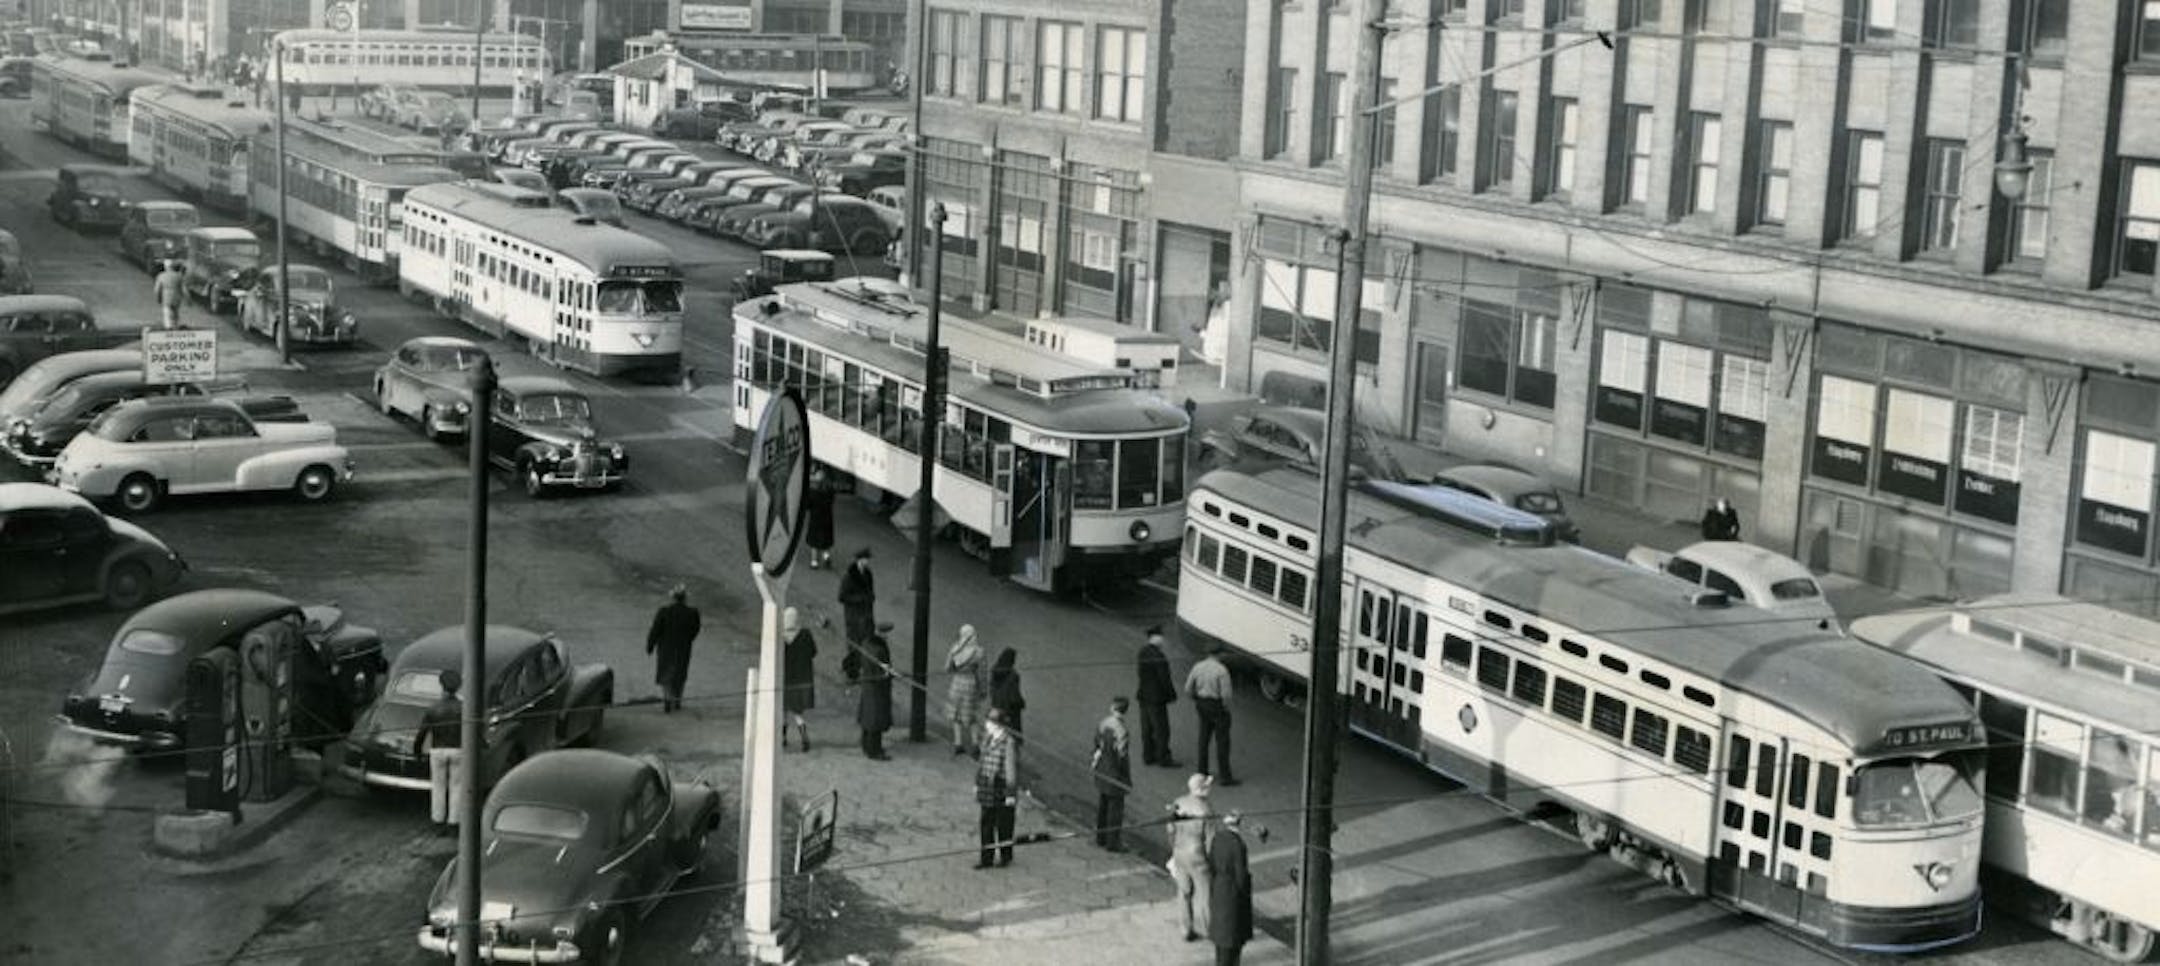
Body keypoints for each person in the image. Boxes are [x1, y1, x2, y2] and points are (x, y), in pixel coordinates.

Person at [1168, 772, 1214, 941]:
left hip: (1180, 852)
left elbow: (1170, 829)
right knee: (1205, 894)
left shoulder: (1178, 802)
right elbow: (1210, 840)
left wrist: (1174, 848)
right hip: (1198, 856)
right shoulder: (1205, 810)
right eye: (1207, 786)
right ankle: (1208, 929)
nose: (1210, 789)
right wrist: (1211, 860)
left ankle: (1185, 929)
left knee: (1184, 891)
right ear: (1201, 790)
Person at [1186, 641, 1238, 785]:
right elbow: (1226, 694)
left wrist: (1196, 698)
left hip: (1202, 704)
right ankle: (1225, 777)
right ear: (1219, 654)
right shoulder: (1222, 670)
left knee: (1203, 738)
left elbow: (1188, 688)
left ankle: (1202, 771)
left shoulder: (1197, 666)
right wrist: (1225, 707)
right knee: (1222, 741)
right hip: (1217, 706)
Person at [974, 707, 1019, 869]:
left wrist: (1010, 794)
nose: (987, 724)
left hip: (1001, 785)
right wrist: (977, 782)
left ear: (999, 725)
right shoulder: (987, 738)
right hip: (987, 784)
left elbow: (1010, 771)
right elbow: (982, 762)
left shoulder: (1008, 743)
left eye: (990, 722)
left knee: (1004, 823)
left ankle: (1005, 855)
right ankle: (986, 857)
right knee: (986, 822)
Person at [1207, 812, 1255, 966]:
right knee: (1233, 942)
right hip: (1233, 895)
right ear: (1238, 823)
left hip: (1219, 888)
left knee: (1221, 942)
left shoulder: (1217, 838)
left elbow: (1211, 863)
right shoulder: (1238, 845)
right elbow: (1241, 875)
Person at [843, 620, 895, 760]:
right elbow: (882, 671)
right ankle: (874, 751)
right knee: (876, 720)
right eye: (886, 634)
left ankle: (866, 745)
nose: (888, 637)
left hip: (868, 687)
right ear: (882, 633)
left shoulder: (866, 643)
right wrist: (890, 672)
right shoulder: (879, 649)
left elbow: (852, 661)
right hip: (878, 688)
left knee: (868, 717)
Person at [645, 584, 701, 713]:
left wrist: (650, 645)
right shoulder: (692, 613)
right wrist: (688, 639)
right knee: (680, 674)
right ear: (685, 598)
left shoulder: (664, 612)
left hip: (665, 647)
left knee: (666, 673)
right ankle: (677, 701)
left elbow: (655, 630)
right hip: (683, 648)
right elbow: (695, 629)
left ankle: (667, 699)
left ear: (673, 598)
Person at [1092, 697, 1132, 851]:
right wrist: (1124, 776)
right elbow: (1122, 755)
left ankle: (1100, 837)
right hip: (1115, 773)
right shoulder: (1122, 730)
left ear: (1112, 708)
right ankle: (1113, 842)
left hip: (1102, 768)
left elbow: (1096, 743)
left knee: (1103, 804)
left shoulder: (1104, 723)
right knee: (1115, 809)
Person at [1136, 626, 1181, 768]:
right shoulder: (1159, 656)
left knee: (1146, 727)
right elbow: (1164, 678)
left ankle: (1148, 755)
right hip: (1156, 698)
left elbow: (1140, 672)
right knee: (1161, 729)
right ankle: (1164, 758)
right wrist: (1171, 695)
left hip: (1143, 695)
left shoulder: (1142, 652)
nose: (1163, 639)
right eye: (1161, 636)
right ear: (1155, 637)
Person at [945, 624, 986, 757]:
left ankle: (958, 743)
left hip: (957, 683)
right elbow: (982, 673)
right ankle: (975, 744)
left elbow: (947, 669)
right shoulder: (979, 652)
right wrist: (983, 689)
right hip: (971, 684)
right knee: (972, 715)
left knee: (956, 714)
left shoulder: (955, 649)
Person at [782, 606, 818, 751]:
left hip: (785, 680)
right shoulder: (805, 634)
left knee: (782, 711)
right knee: (798, 713)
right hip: (801, 680)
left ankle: (782, 738)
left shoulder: (780, 636)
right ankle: (804, 739)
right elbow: (813, 652)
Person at [419, 668, 464, 750]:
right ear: (458, 687)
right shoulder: (464, 708)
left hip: (438, 750)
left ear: (441, 684)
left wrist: (417, 750)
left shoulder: (433, 708)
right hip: (458, 750)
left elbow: (422, 732)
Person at [838, 547, 876, 643]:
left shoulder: (868, 573)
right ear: (860, 560)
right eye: (865, 559)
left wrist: (871, 597)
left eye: (868, 559)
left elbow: (870, 589)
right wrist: (859, 599)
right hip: (853, 614)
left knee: (867, 638)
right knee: (854, 639)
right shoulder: (849, 577)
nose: (867, 561)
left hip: (866, 613)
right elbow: (842, 597)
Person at [989, 647, 1026, 740]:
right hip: (1009, 710)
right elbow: (1014, 695)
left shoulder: (994, 672)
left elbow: (992, 690)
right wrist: (1021, 703)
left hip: (996, 707)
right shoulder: (1013, 675)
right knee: (1013, 737)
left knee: (996, 734)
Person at [804, 468, 836, 569]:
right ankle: (826, 558)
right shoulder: (830, 491)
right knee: (825, 541)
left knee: (814, 541)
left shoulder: (813, 492)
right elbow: (832, 502)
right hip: (827, 518)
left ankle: (814, 562)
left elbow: (808, 505)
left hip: (815, 518)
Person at [153, 260, 185, 329]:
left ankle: (168, 328)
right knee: (176, 314)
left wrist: (158, 299)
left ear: (165, 267)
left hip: (166, 298)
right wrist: (188, 299)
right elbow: (184, 289)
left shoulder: (161, 276)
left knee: (166, 313)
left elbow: (157, 289)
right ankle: (176, 327)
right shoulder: (179, 276)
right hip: (176, 298)